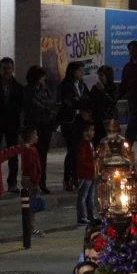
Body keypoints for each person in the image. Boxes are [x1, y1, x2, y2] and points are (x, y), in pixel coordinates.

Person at [0, 57, 23, 194]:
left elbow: (20, 107)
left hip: (12, 124)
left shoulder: (18, 87)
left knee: (13, 153)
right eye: (4, 68)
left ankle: (12, 182)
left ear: (13, 69)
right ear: (0, 69)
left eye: (9, 68)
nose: (7, 71)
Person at [57, 61, 91, 192]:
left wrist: (80, 102)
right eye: (79, 70)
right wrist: (78, 103)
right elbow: (69, 102)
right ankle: (68, 178)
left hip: (80, 121)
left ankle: (77, 177)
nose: (81, 73)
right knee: (72, 150)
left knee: (79, 150)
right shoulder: (65, 86)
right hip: (69, 121)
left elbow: (87, 99)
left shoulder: (82, 85)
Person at [23, 66, 57, 195]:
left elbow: (52, 101)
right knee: (33, 156)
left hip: (45, 125)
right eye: (43, 76)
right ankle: (34, 183)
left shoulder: (44, 89)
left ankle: (42, 182)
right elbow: (35, 106)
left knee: (43, 156)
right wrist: (47, 106)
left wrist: (46, 106)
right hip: (34, 125)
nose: (45, 78)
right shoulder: (28, 90)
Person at [21, 126, 44, 237]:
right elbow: (33, 168)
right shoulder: (31, 150)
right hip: (30, 180)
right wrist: (36, 183)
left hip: (26, 178)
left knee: (29, 205)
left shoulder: (26, 149)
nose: (37, 137)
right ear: (31, 137)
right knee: (31, 206)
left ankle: (29, 227)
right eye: (36, 135)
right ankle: (31, 228)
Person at [90, 65, 118, 148]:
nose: (100, 78)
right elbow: (90, 100)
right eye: (99, 75)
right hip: (97, 119)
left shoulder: (113, 88)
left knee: (109, 142)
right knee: (97, 141)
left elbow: (112, 103)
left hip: (108, 119)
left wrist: (103, 92)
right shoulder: (95, 88)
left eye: (102, 75)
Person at [76, 122, 96, 227]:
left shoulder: (89, 143)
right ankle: (82, 217)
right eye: (91, 130)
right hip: (85, 174)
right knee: (82, 196)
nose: (93, 132)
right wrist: (93, 166)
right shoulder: (83, 145)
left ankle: (90, 215)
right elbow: (82, 161)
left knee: (90, 197)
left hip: (91, 174)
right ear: (85, 132)